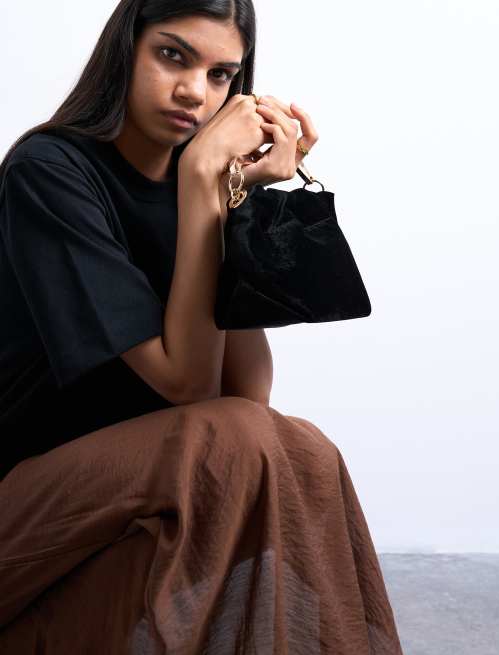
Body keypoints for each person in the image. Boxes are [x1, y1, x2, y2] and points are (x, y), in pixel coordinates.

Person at [0, 1, 405, 653]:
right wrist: (200, 183)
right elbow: (191, 391)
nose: (194, 91)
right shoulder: (49, 171)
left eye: (221, 75)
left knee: (306, 449)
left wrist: (232, 198)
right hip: (26, 508)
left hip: (140, 499)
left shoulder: (196, 187)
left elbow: (246, 395)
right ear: (125, 51)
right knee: (233, 440)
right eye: (172, 56)